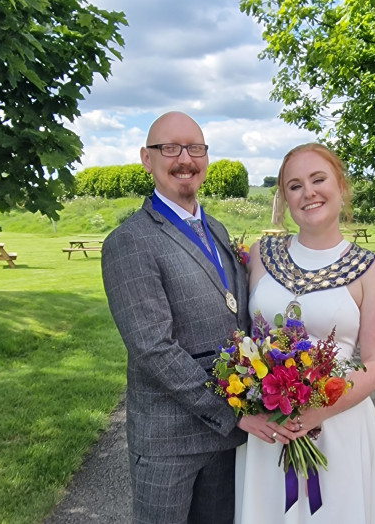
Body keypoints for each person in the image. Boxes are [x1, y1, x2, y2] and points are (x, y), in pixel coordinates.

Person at [234, 143, 375, 523]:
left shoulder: (369, 271)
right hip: (268, 429)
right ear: (285, 200)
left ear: (340, 186)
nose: (308, 192)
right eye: (294, 185)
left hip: (337, 426)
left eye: (318, 179)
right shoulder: (260, 255)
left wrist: (314, 411)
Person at [101, 111, 250, 524]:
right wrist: (232, 412)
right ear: (147, 159)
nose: (185, 158)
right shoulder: (128, 242)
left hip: (226, 441)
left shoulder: (217, 229)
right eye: (170, 148)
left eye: (195, 148)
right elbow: (153, 347)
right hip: (169, 441)